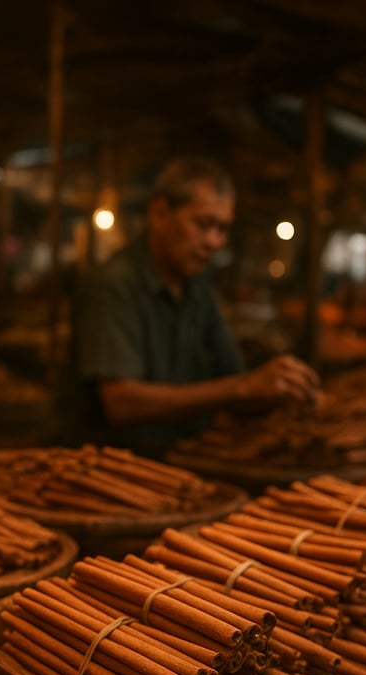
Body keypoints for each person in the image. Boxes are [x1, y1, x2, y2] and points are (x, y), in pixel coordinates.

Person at [72, 155, 320, 457]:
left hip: (177, 460)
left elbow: (233, 375)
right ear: (160, 214)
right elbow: (121, 402)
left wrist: (278, 383)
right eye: (203, 224)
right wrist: (242, 387)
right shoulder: (114, 284)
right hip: (103, 466)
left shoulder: (196, 288)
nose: (214, 242)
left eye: (223, 229)